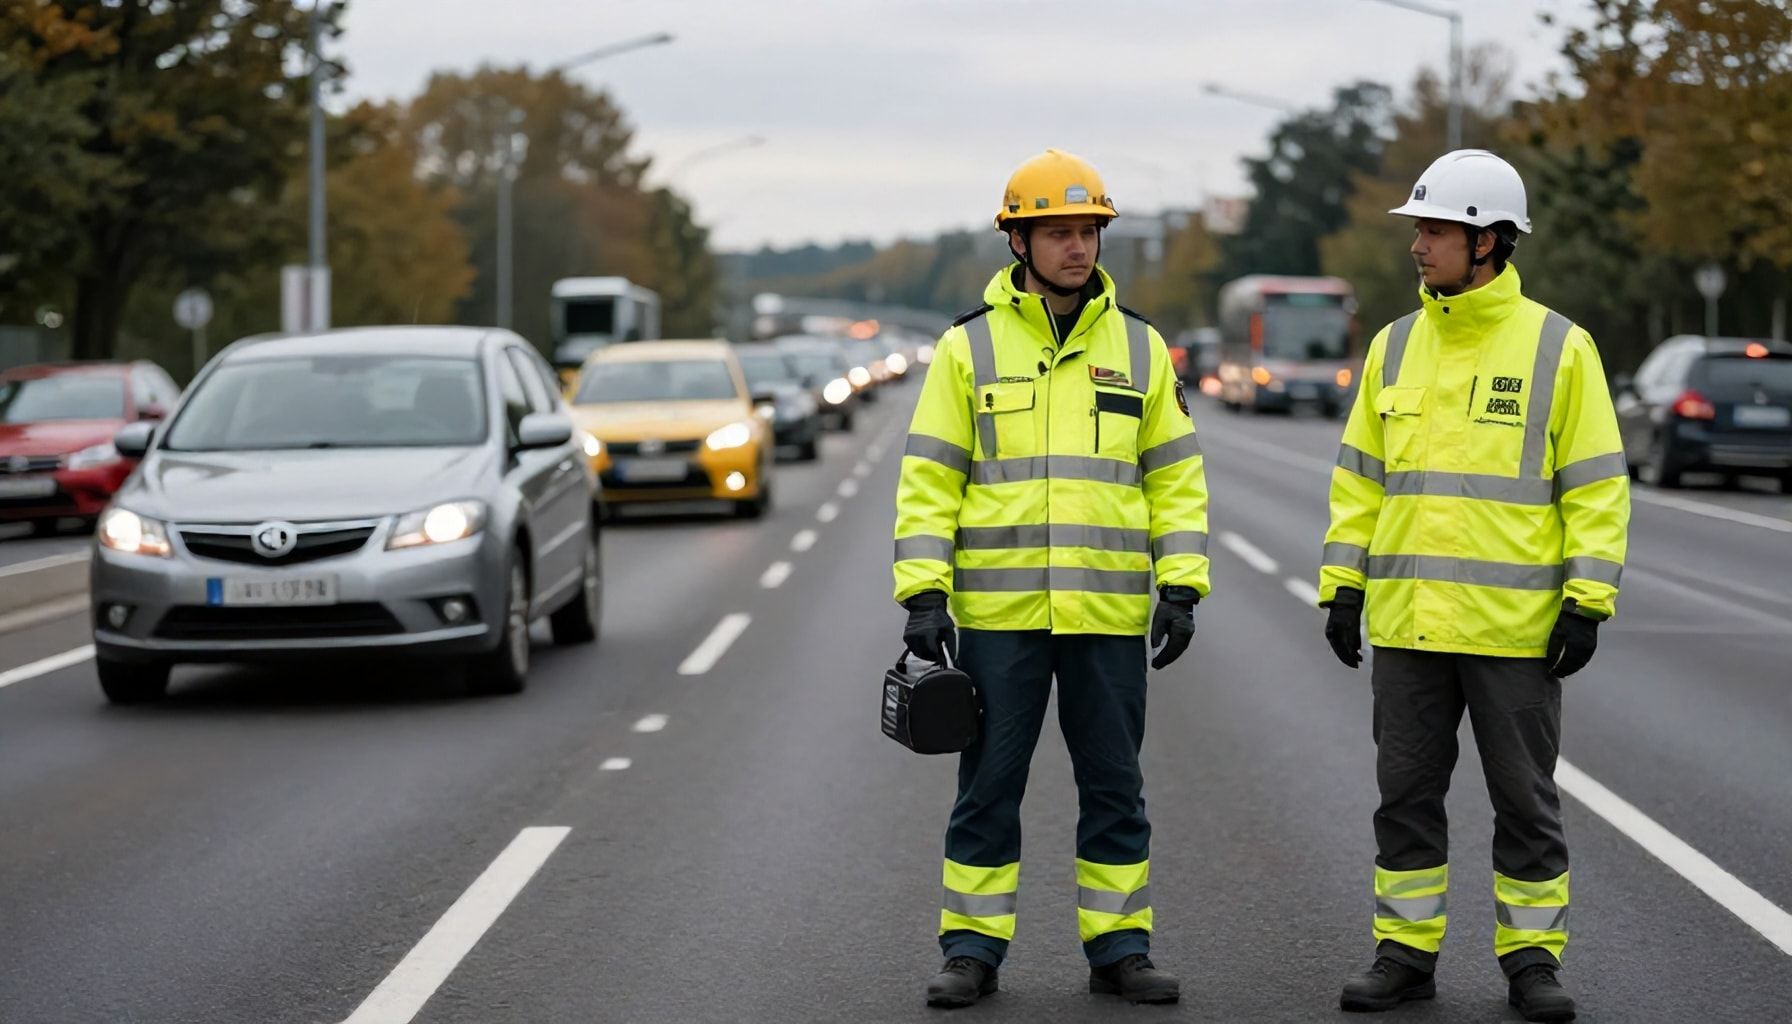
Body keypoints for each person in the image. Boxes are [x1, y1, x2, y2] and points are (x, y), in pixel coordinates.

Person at [892, 149, 1211, 1008]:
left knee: (1115, 788)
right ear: (1018, 242)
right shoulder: (967, 348)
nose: (1077, 247)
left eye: (1088, 232)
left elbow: (1176, 477)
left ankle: (1121, 948)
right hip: (1002, 619)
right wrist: (923, 594)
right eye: (1059, 233)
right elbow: (930, 479)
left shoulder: (1142, 348)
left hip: (1106, 615)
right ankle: (971, 950)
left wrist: (1182, 585)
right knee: (988, 789)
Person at [1317, 149, 1630, 1023]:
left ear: (1487, 240)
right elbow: (1360, 481)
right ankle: (1404, 955)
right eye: (1418, 229)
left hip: (1513, 632)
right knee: (1405, 802)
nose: (1418, 245)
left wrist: (1587, 601)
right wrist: (1342, 588)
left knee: (1525, 805)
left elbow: (1597, 488)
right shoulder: (1393, 346)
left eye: (1435, 230)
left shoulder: (1559, 348)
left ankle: (1531, 962)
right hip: (1409, 627)